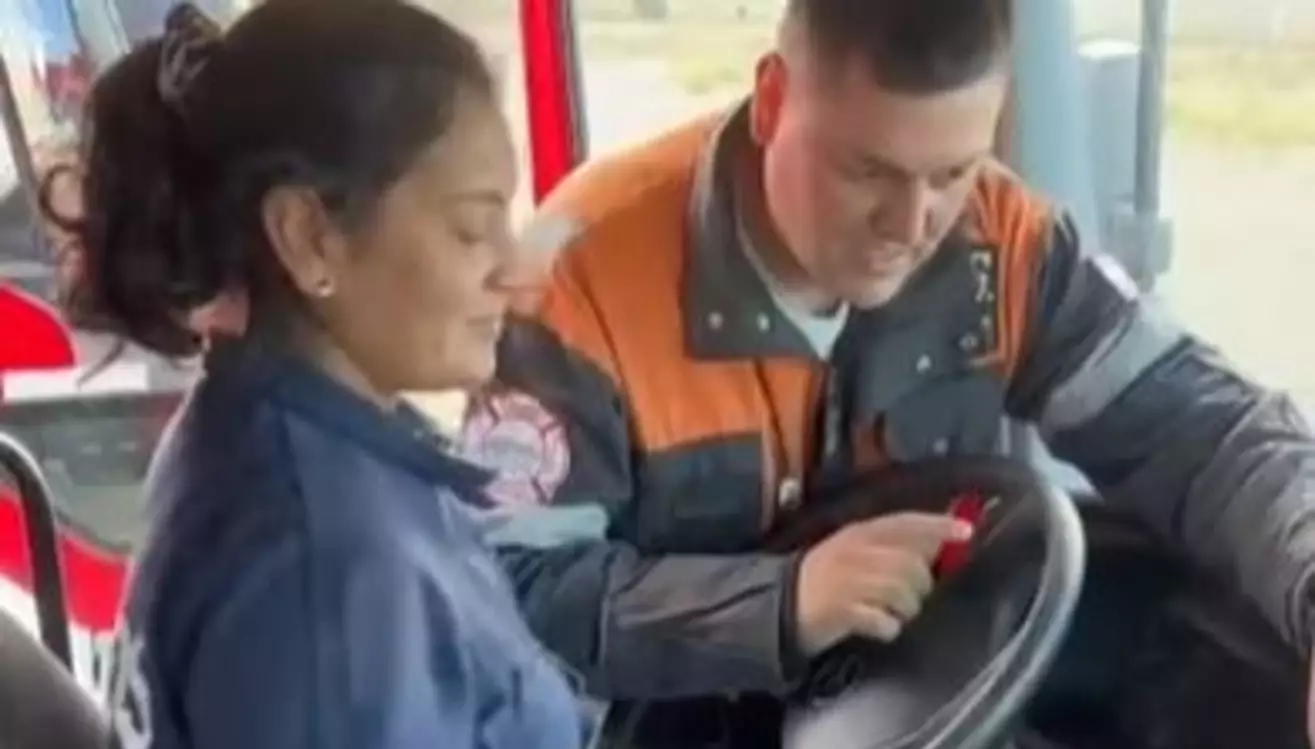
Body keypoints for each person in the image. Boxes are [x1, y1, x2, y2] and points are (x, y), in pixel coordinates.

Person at [457, 0, 1315, 747]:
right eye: (866, 171)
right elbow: (507, 591)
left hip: (942, 699)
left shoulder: (1003, 245)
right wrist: (781, 602)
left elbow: (1208, 431)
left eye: (951, 173)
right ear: (771, 102)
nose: (909, 225)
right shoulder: (578, 286)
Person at [42, 2, 591, 747]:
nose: (518, 271)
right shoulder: (330, 575)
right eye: (470, 227)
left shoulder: (282, 437)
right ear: (307, 237)